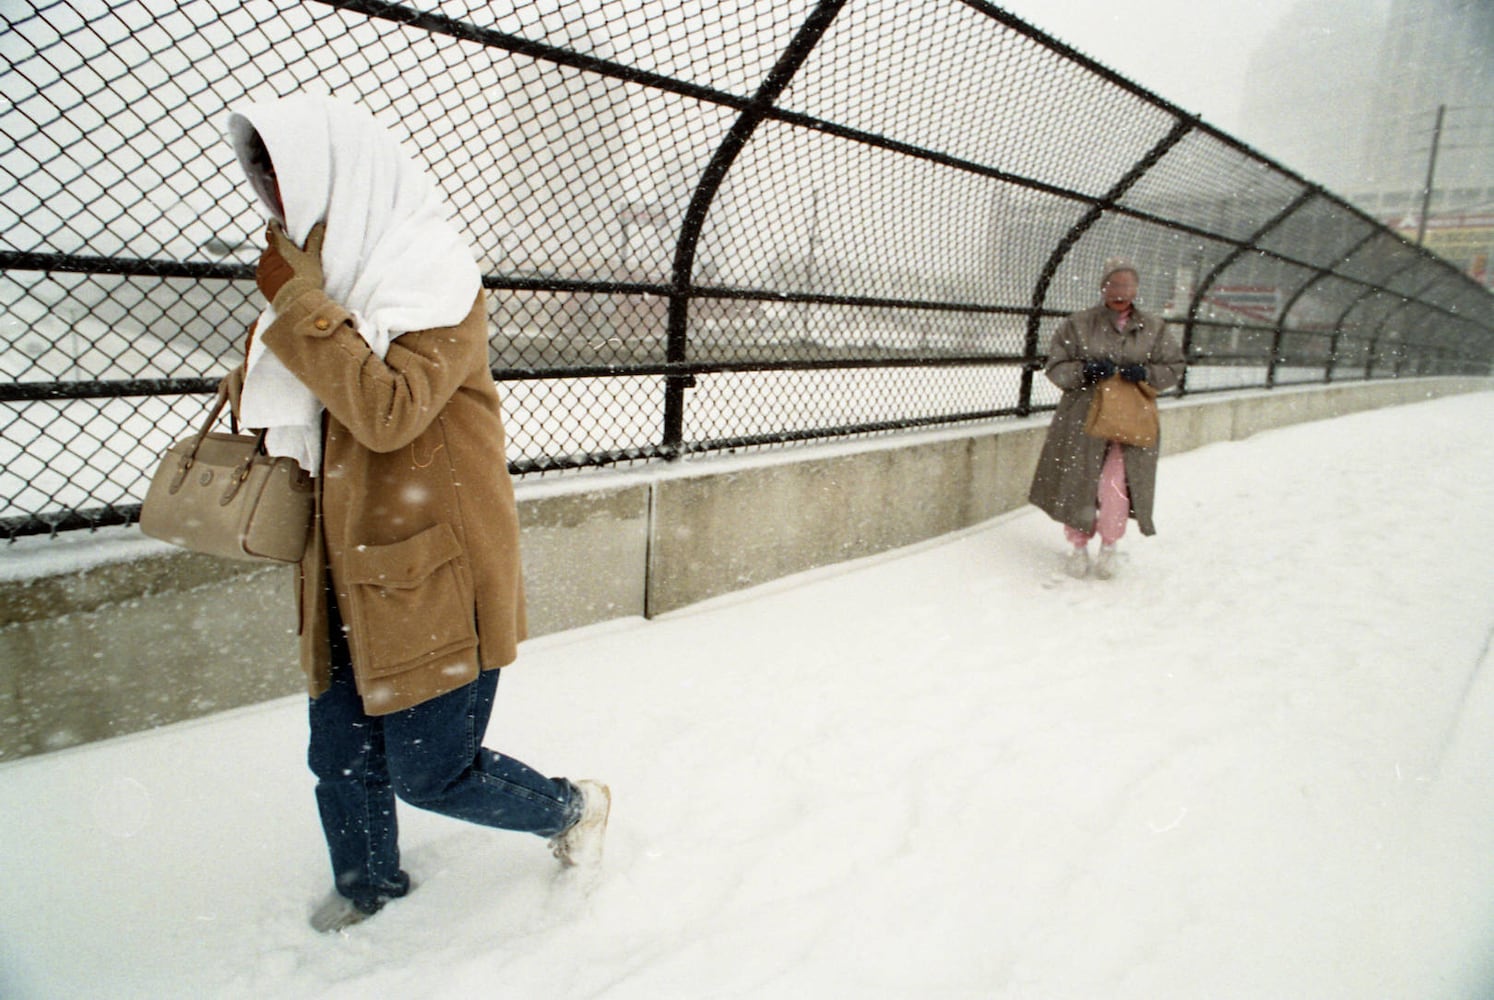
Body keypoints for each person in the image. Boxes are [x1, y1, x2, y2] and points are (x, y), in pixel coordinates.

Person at [222, 94, 610, 933]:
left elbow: (388, 409)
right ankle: (369, 887)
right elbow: (316, 400)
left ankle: (573, 810)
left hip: (431, 568)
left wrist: (297, 310)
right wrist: (269, 353)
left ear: (335, 170)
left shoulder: (435, 275)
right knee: (340, 757)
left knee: (434, 771)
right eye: (256, 171)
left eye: (278, 168)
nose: (266, 189)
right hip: (342, 562)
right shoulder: (326, 278)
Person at [1027, 257, 1186, 579]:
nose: (1120, 292)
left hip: (1131, 419)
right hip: (1083, 418)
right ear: (1102, 287)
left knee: (1115, 486)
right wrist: (1085, 371)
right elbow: (1056, 366)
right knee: (1078, 481)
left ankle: (1110, 547)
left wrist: (1146, 373)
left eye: (1127, 285)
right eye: (1114, 284)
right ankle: (1078, 546)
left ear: (1137, 289)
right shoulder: (1078, 324)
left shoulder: (1155, 328)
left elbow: (1174, 368)